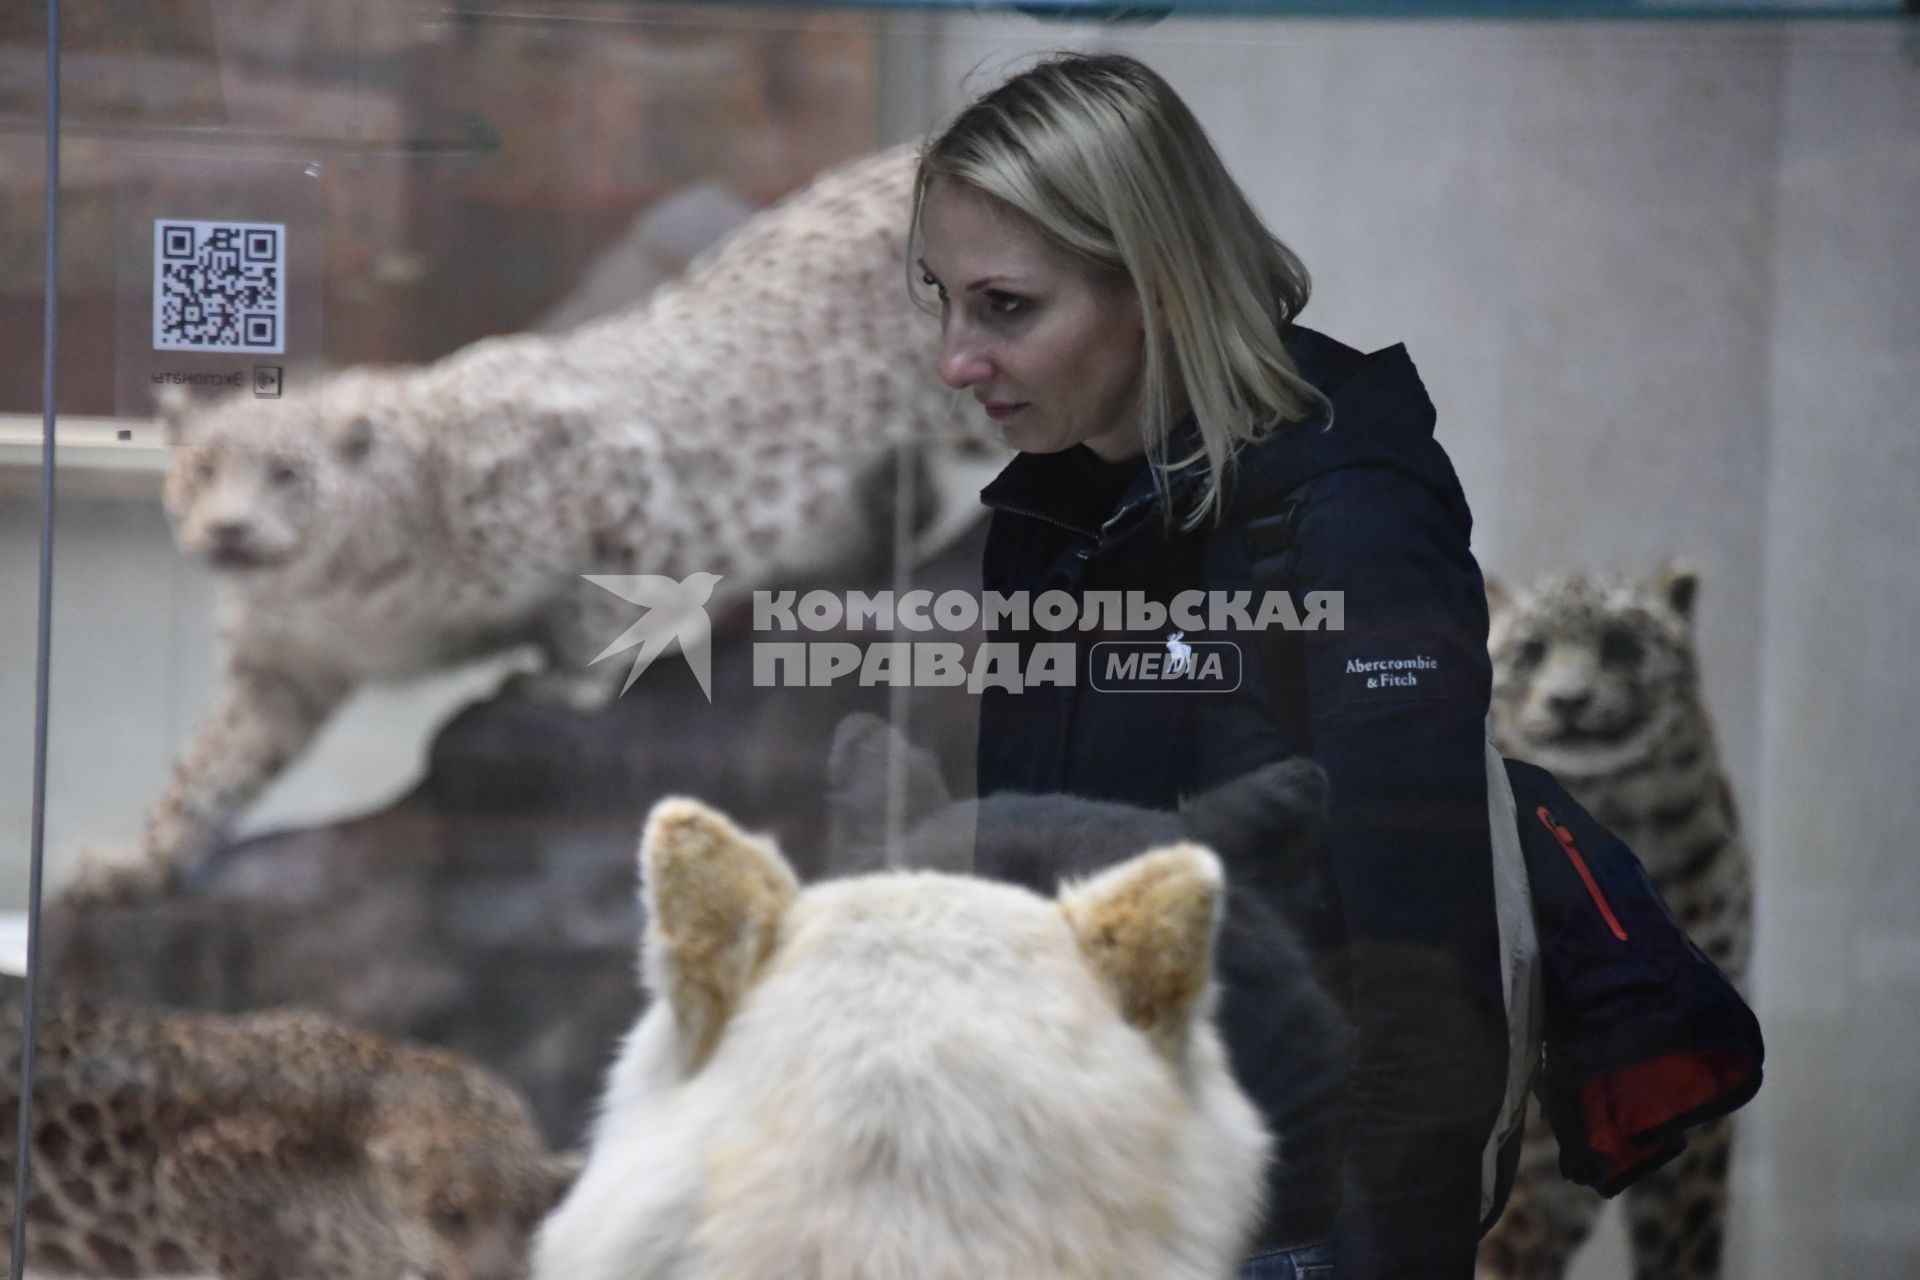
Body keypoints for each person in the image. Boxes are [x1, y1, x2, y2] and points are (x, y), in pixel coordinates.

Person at [910, 53, 1515, 1280]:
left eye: (1006, 307)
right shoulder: (1045, 512)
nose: (955, 358)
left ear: (1161, 289)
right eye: (943, 299)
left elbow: (1423, 971)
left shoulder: (1347, 515)